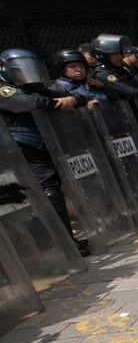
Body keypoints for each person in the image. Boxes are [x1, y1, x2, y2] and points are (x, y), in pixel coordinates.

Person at [0, 48, 90, 256]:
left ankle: (63, 240)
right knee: (31, 197)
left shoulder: (34, 88)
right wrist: (58, 104)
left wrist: (73, 100)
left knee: (50, 190)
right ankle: (60, 244)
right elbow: (25, 104)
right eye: (22, 69)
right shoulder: (5, 89)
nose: (27, 74)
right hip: (19, 150)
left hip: (40, 146)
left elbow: (74, 95)